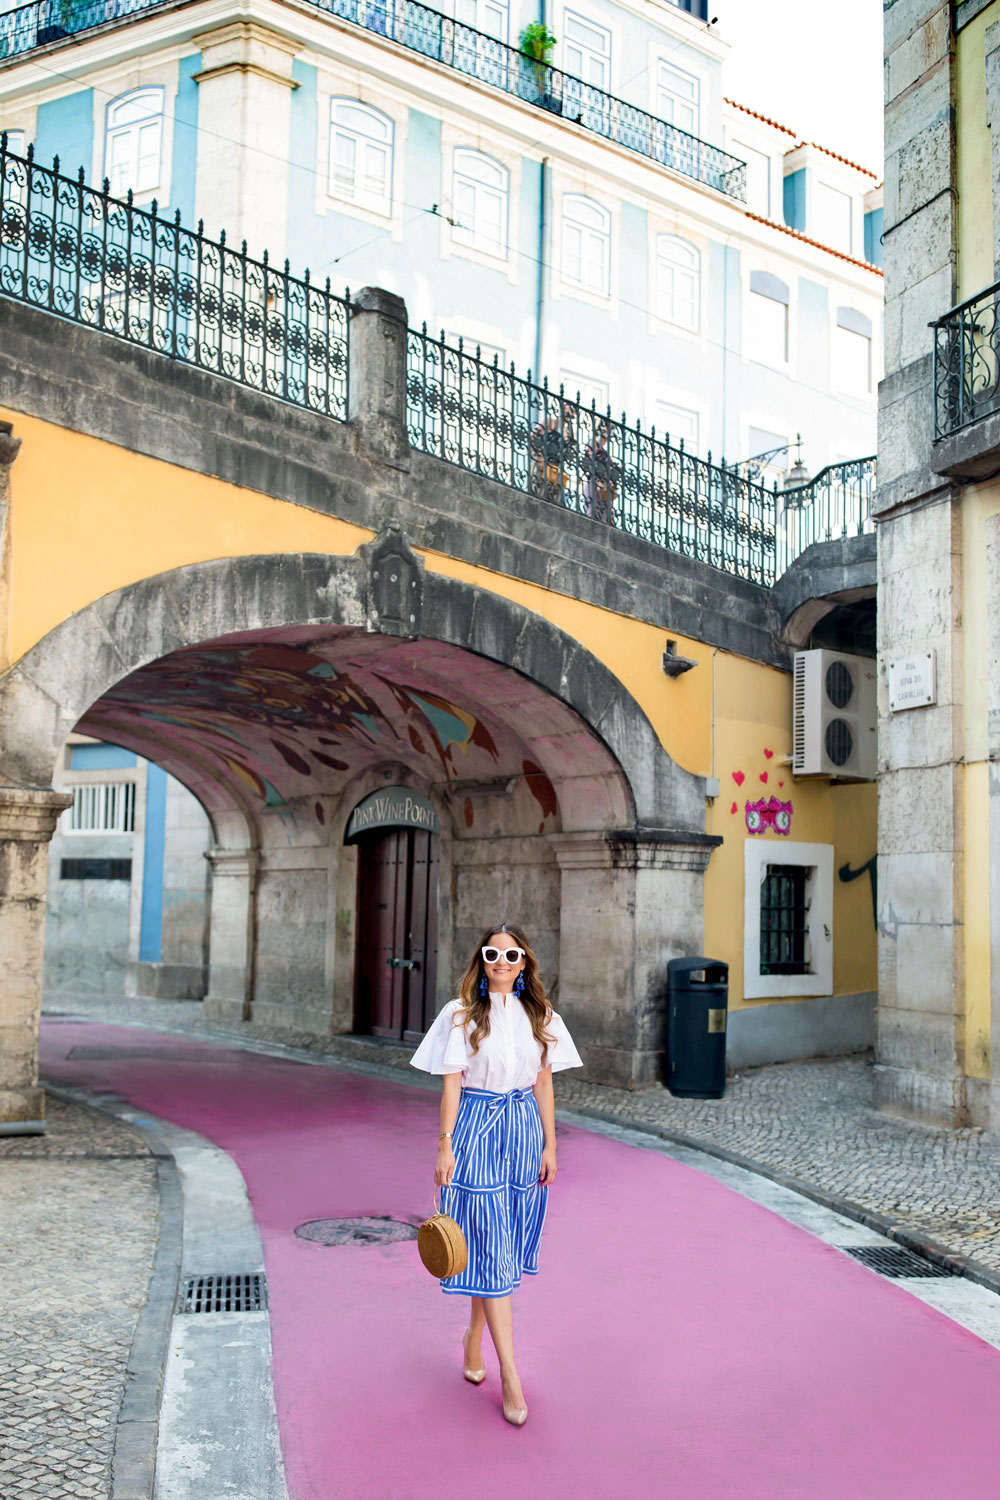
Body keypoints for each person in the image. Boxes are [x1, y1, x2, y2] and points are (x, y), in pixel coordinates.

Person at [410, 922, 582, 1427]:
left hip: (524, 1132)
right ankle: (511, 1372)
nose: (502, 962)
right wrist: (445, 1146)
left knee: (500, 1246)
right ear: (481, 961)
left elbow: (545, 1084)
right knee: (489, 1245)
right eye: (492, 954)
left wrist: (551, 1144)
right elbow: (451, 1087)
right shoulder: (459, 1014)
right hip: (476, 1133)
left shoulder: (542, 1016)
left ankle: (472, 1337)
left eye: (512, 955)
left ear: (525, 962)